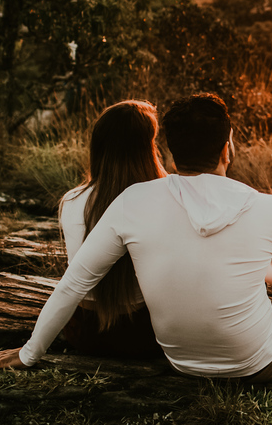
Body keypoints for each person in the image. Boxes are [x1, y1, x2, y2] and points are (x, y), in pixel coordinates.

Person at [0, 93, 272, 381]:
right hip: (264, 363)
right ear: (227, 149)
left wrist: (28, 354)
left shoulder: (133, 200)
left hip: (182, 363)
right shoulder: (267, 205)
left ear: (171, 150)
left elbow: (75, 282)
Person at [58, 99, 166, 358]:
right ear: (147, 148)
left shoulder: (71, 200)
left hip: (85, 334)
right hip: (146, 334)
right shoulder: (165, 198)